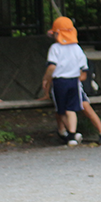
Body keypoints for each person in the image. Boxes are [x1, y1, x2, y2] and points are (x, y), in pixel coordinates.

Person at [40, 17, 89, 147]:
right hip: (74, 81)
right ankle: (73, 134)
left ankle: (71, 135)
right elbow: (83, 67)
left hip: (60, 82)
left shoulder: (55, 48)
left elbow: (51, 66)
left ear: (57, 33)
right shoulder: (77, 48)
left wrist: (46, 78)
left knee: (61, 110)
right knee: (72, 109)